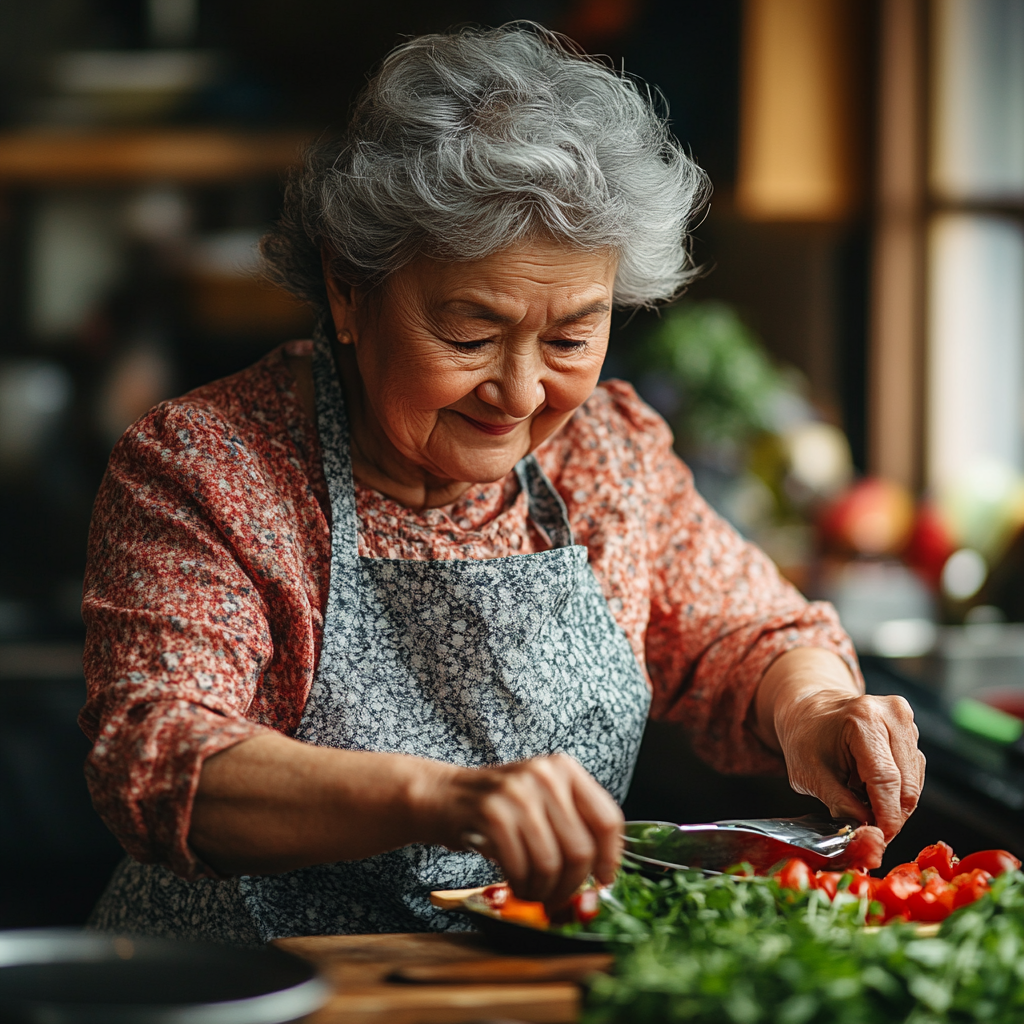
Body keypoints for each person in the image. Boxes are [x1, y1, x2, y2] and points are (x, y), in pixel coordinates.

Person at [81, 23, 924, 944]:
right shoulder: (207, 466)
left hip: (522, 981)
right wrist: (445, 798)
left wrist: (818, 710)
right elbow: (161, 760)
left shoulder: (607, 453)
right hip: (250, 989)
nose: (520, 392)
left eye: (570, 339)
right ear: (348, 290)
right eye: (470, 335)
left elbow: (747, 635)